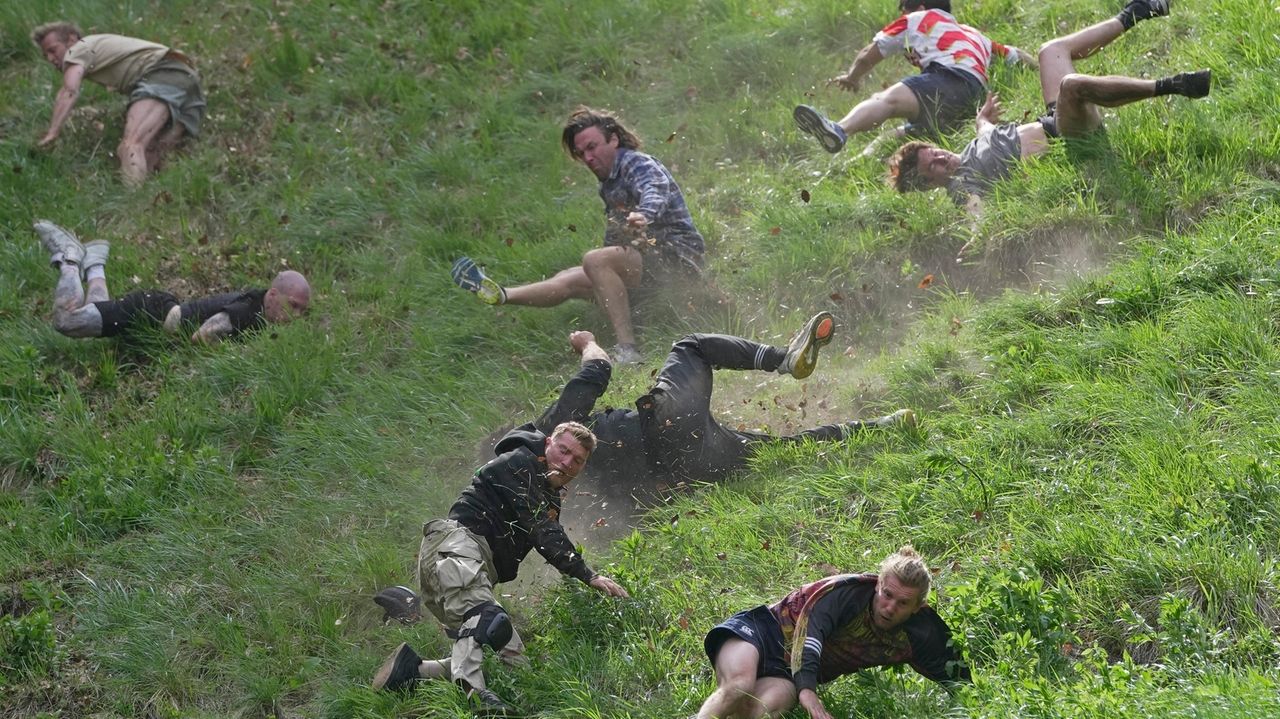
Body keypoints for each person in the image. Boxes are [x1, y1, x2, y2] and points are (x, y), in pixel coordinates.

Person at [370, 421, 629, 716]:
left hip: (467, 567)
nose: (567, 462)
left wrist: (578, 592)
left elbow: (548, 536)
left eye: (577, 460)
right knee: (487, 618)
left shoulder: (546, 494)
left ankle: (410, 671)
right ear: (548, 444)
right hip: (455, 548)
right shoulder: (521, 463)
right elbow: (544, 530)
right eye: (563, 450)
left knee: (515, 661)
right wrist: (588, 575)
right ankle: (476, 698)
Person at [524, 311, 914, 485]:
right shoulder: (548, 431)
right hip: (667, 425)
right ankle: (784, 360)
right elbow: (598, 370)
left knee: (779, 449)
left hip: (682, 475)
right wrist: (587, 342)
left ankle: (882, 427)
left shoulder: (541, 488)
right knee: (691, 346)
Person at [450, 106, 706, 365]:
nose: (588, 157)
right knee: (570, 278)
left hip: (677, 259)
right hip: (649, 263)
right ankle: (502, 295)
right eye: (582, 153)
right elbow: (616, 238)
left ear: (614, 139)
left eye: (592, 147)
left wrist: (644, 215)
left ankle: (629, 351)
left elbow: (654, 188)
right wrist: (601, 274)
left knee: (595, 261)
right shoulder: (608, 184)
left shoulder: (636, 163)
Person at [888, 0, 1209, 206]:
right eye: (935, 168)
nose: (943, 159)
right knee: (1071, 86)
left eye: (936, 154)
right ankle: (1175, 85)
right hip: (1070, 140)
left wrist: (983, 119)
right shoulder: (962, 185)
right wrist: (977, 236)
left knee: (1050, 50)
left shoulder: (973, 147)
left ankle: (1137, 11)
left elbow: (984, 130)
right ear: (931, 185)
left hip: (1056, 118)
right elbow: (975, 208)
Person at [696, 545, 969, 719]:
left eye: (903, 603)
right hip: (760, 634)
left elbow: (959, 679)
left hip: (784, 674)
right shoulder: (845, 594)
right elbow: (811, 635)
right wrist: (807, 691)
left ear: (918, 607)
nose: (890, 607)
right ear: (878, 585)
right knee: (740, 686)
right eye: (887, 595)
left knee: (761, 710)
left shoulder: (921, 633)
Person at [794, 1, 1034, 156]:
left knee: (886, 100)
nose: (902, 16)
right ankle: (857, 162)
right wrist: (1041, 64)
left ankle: (839, 129)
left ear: (918, 8)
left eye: (903, 11)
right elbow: (1017, 55)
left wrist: (852, 77)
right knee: (896, 136)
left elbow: (869, 54)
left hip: (947, 79)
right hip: (972, 101)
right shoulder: (975, 34)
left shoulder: (917, 19)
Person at [33, 220, 309, 342]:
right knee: (67, 322)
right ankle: (69, 257)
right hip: (152, 312)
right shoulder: (248, 311)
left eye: (301, 311)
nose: (296, 316)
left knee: (97, 309)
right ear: (273, 295)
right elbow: (203, 336)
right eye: (293, 306)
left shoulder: (258, 309)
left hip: (158, 311)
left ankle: (94, 262)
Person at [32, 21, 206, 186]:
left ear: (71, 39)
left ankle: (133, 209)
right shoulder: (97, 47)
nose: (50, 58)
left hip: (163, 74)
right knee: (152, 150)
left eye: (53, 50)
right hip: (188, 82)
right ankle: (156, 208)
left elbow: (69, 90)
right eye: (45, 55)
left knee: (130, 145)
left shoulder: (78, 48)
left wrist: (52, 133)